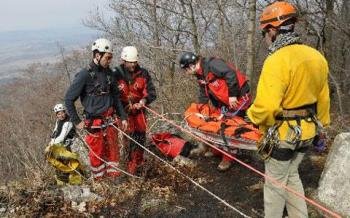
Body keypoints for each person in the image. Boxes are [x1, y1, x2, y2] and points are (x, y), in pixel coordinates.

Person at [247, 1, 330, 217]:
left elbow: (266, 107)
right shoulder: (316, 56)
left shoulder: (276, 60)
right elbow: (323, 97)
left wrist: (251, 115)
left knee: (274, 185)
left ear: (273, 29)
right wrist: (323, 125)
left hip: (284, 134)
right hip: (308, 132)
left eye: (266, 32)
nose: (266, 36)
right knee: (292, 175)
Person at [65, 38, 128, 180]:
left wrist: (123, 116)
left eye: (111, 57)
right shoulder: (84, 75)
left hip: (110, 121)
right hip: (94, 124)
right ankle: (100, 181)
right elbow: (68, 99)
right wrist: (76, 121)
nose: (110, 60)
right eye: (108, 57)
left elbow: (116, 98)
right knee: (97, 155)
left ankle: (114, 179)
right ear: (97, 55)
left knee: (113, 152)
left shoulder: (109, 74)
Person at [179, 52, 251, 171]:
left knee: (230, 127)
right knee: (217, 124)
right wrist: (200, 108)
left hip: (239, 96)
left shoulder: (212, 64)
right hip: (224, 100)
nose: (186, 73)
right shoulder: (200, 75)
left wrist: (233, 95)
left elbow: (231, 74)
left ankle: (229, 157)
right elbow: (204, 92)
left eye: (186, 70)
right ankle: (220, 149)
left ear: (191, 65)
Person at [113, 46, 156, 175]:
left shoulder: (143, 74)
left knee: (140, 137)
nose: (132, 65)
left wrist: (143, 101)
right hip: (124, 113)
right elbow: (113, 96)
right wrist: (123, 107)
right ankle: (129, 168)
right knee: (129, 140)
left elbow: (151, 92)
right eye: (130, 62)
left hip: (139, 112)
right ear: (123, 60)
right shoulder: (115, 74)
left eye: (134, 62)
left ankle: (139, 164)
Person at [46, 103, 82, 185]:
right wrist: (51, 142)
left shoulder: (68, 121)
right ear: (56, 115)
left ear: (65, 112)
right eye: (59, 114)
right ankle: (62, 180)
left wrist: (52, 145)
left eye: (62, 112)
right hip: (61, 145)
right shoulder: (58, 121)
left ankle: (76, 181)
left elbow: (62, 136)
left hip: (70, 144)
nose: (61, 115)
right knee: (60, 163)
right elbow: (55, 132)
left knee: (70, 163)